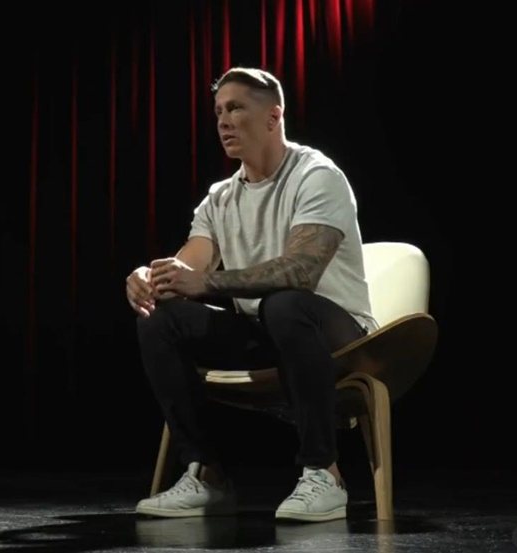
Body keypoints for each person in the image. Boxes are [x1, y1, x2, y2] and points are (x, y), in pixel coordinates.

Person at [125, 67, 379, 522]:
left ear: (273, 117)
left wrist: (207, 283)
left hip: (339, 336)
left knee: (285, 302)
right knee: (160, 317)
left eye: (236, 108)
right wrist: (151, 278)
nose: (223, 121)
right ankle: (206, 475)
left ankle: (324, 473)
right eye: (219, 111)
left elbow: (301, 271)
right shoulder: (220, 198)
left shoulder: (317, 176)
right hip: (268, 330)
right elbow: (189, 267)